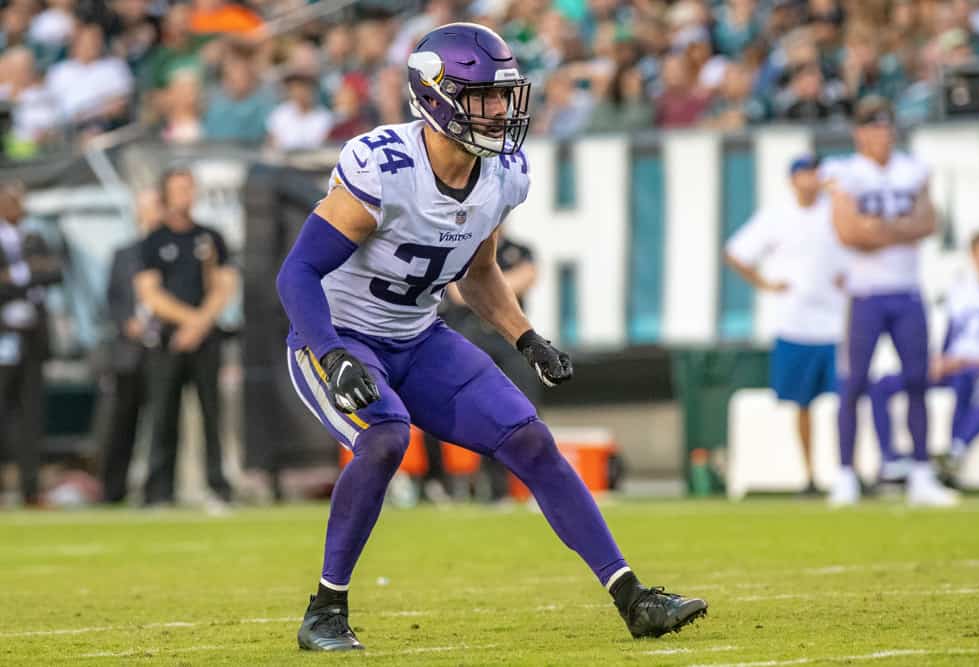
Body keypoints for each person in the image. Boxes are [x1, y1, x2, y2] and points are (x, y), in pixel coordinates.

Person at [276, 23, 707, 652]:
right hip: (337, 332)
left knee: (530, 439)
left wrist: (527, 336)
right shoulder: (385, 167)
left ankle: (633, 597)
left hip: (416, 336)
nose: (500, 110)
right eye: (483, 96)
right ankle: (325, 610)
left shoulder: (502, 173)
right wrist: (333, 353)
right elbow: (297, 272)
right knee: (387, 435)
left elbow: (478, 274)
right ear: (435, 95)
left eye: (504, 96)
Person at [823, 96, 956, 507]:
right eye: (872, 126)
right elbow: (848, 233)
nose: (881, 134)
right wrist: (900, 230)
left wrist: (877, 231)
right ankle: (846, 473)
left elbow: (928, 222)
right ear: (859, 133)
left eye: (885, 126)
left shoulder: (913, 169)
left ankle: (920, 471)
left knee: (918, 380)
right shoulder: (845, 171)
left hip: (907, 291)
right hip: (865, 295)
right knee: (855, 383)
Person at [725, 155, 846, 495]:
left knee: (846, 399)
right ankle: (809, 474)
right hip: (795, 323)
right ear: (792, 180)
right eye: (803, 175)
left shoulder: (835, 211)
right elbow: (736, 252)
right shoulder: (776, 217)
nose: (809, 181)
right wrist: (765, 284)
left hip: (836, 321)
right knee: (802, 403)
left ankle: (847, 469)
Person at [134, 168, 237, 507]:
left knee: (212, 413)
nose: (185, 195)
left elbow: (225, 286)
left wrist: (201, 323)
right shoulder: (154, 240)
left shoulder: (211, 238)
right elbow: (150, 293)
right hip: (168, 338)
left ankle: (218, 487)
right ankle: (158, 491)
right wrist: (188, 321)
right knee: (164, 413)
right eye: (178, 189)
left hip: (205, 338)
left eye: (189, 188)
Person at [870, 232, 979, 488]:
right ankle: (891, 458)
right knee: (883, 385)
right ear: (973, 256)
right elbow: (952, 332)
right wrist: (940, 359)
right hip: (954, 366)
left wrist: (967, 362)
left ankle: (955, 451)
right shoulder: (961, 289)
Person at [442, 229, 540, 502]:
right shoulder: (458, 243)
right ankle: (478, 487)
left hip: (510, 339)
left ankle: (531, 487)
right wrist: (502, 284)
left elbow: (529, 277)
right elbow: (458, 293)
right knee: (480, 414)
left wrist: (485, 284)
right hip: (471, 337)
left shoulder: (517, 248)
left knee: (525, 409)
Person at [0, 182, 62, 506]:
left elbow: (54, 272)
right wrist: (26, 274)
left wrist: (14, 276)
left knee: (31, 415)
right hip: (3, 335)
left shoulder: (34, 237)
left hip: (32, 337)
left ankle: (30, 488)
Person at [99, 188, 163, 504]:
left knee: (162, 425)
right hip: (129, 350)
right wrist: (127, 322)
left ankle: (156, 491)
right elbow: (112, 298)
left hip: (163, 347)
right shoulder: (124, 253)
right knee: (121, 422)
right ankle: (112, 490)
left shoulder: (169, 249)